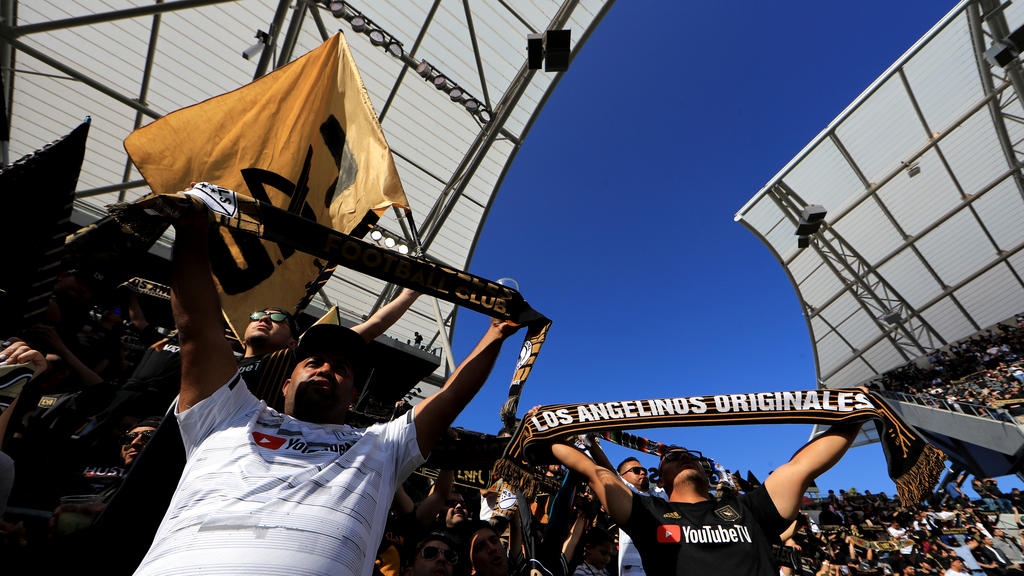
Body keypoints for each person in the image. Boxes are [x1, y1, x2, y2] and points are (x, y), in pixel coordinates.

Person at [130, 208, 519, 575]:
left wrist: (496, 332)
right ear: (285, 382)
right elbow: (198, 327)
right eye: (314, 362)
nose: (327, 369)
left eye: (342, 368)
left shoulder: (381, 445)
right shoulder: (228, 414)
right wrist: (192, 229)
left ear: (353, 398)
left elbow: (451, 396)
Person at [550, 421, 864, 575]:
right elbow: (596, 474)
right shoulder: (648, 513)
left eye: (690, 456)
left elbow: (803, 466)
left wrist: (855, 416)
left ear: (706, 471)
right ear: (660, 476)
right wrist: (545, 431)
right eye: (672, 457)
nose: (683, 457)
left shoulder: (747, 508)